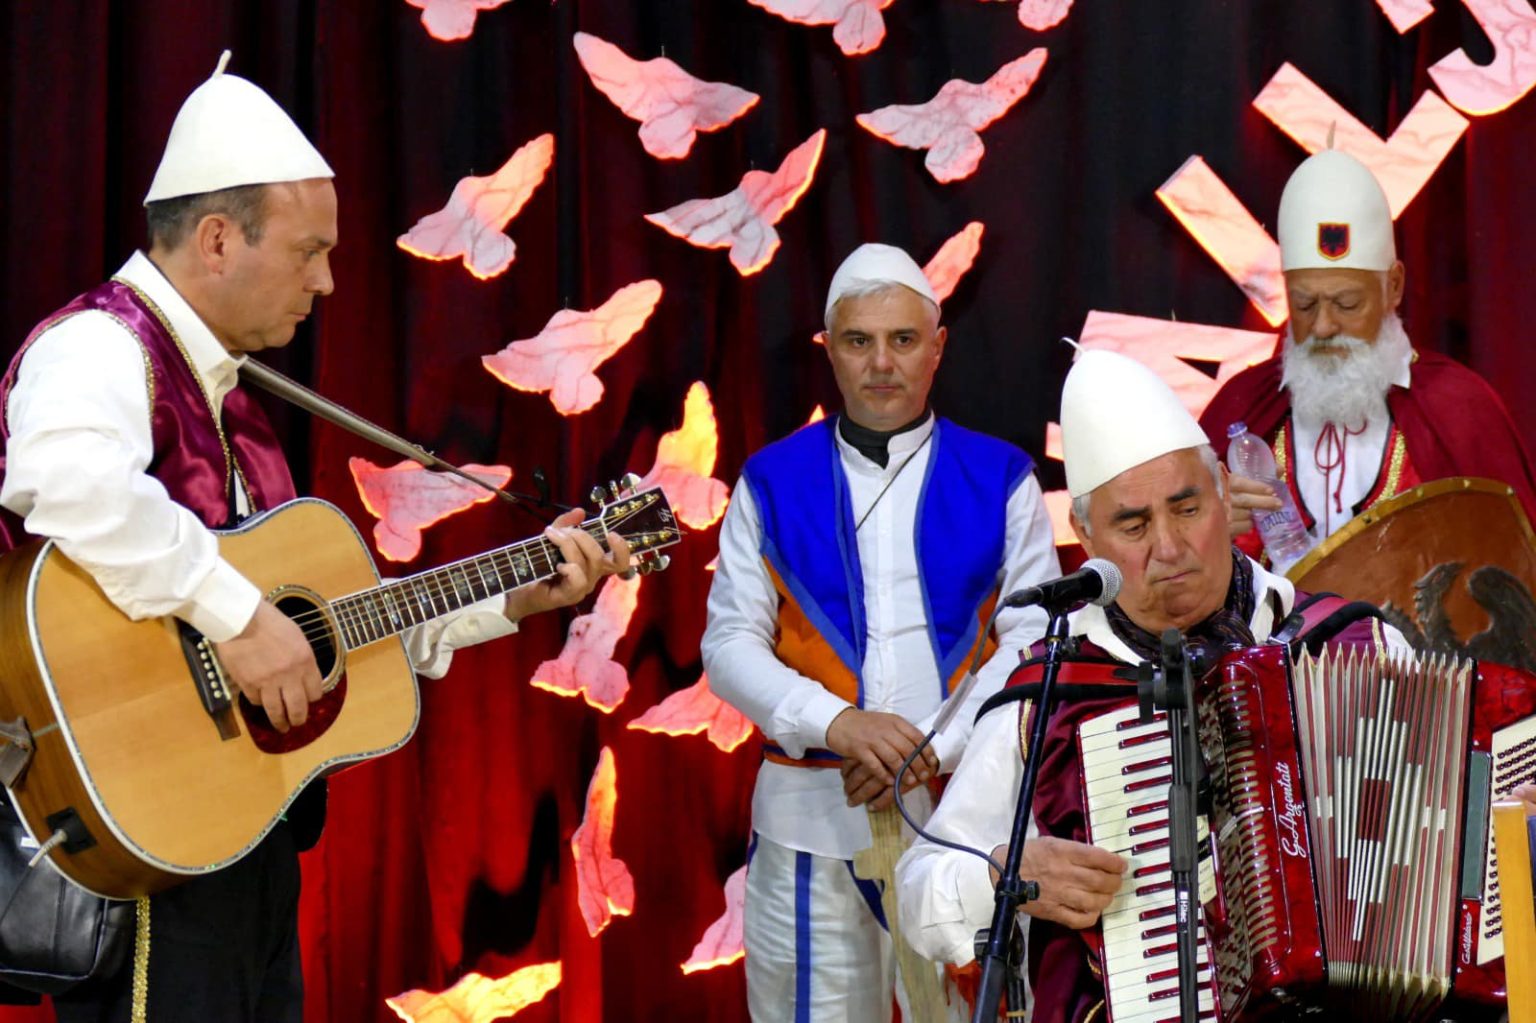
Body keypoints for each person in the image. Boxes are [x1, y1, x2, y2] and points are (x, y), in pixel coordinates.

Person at [0, 54, 628, 1022]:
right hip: (148, 852)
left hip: (242, 844)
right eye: (308, 251)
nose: (328, 282)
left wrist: (515, 595)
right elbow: (70, 487)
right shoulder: (99, 344)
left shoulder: (236, 405)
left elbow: (333, 628)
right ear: (218, 239)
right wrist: (241, 618)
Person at [896, 349, 1409, 1023]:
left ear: (1223, 491)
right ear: (1085, 536)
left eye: (1187, 507)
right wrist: (1005, 874)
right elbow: (920, 891)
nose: (1168, 548)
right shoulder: (1049, 694)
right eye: (1133, 525)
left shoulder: (1352, 644)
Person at [701, 243, 1060, 1021]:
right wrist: (839, 723)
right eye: (859, 341)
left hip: (962, 817)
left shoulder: (1002, 478)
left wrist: (935, 746)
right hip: (808, 819)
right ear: (829, 349)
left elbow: (1033, 642)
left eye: (903, 339)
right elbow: (728, 644)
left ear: (938, 346)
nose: (882, 363)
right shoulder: (769, 481)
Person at [1198, 149, 1536, 551]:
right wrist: (1211, 530)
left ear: (1393, 286)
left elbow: (1512, 565)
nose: (1323, 326)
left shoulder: (1461, 407)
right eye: (1304, 305)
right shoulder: (1243, 406)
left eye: (1347, 304)